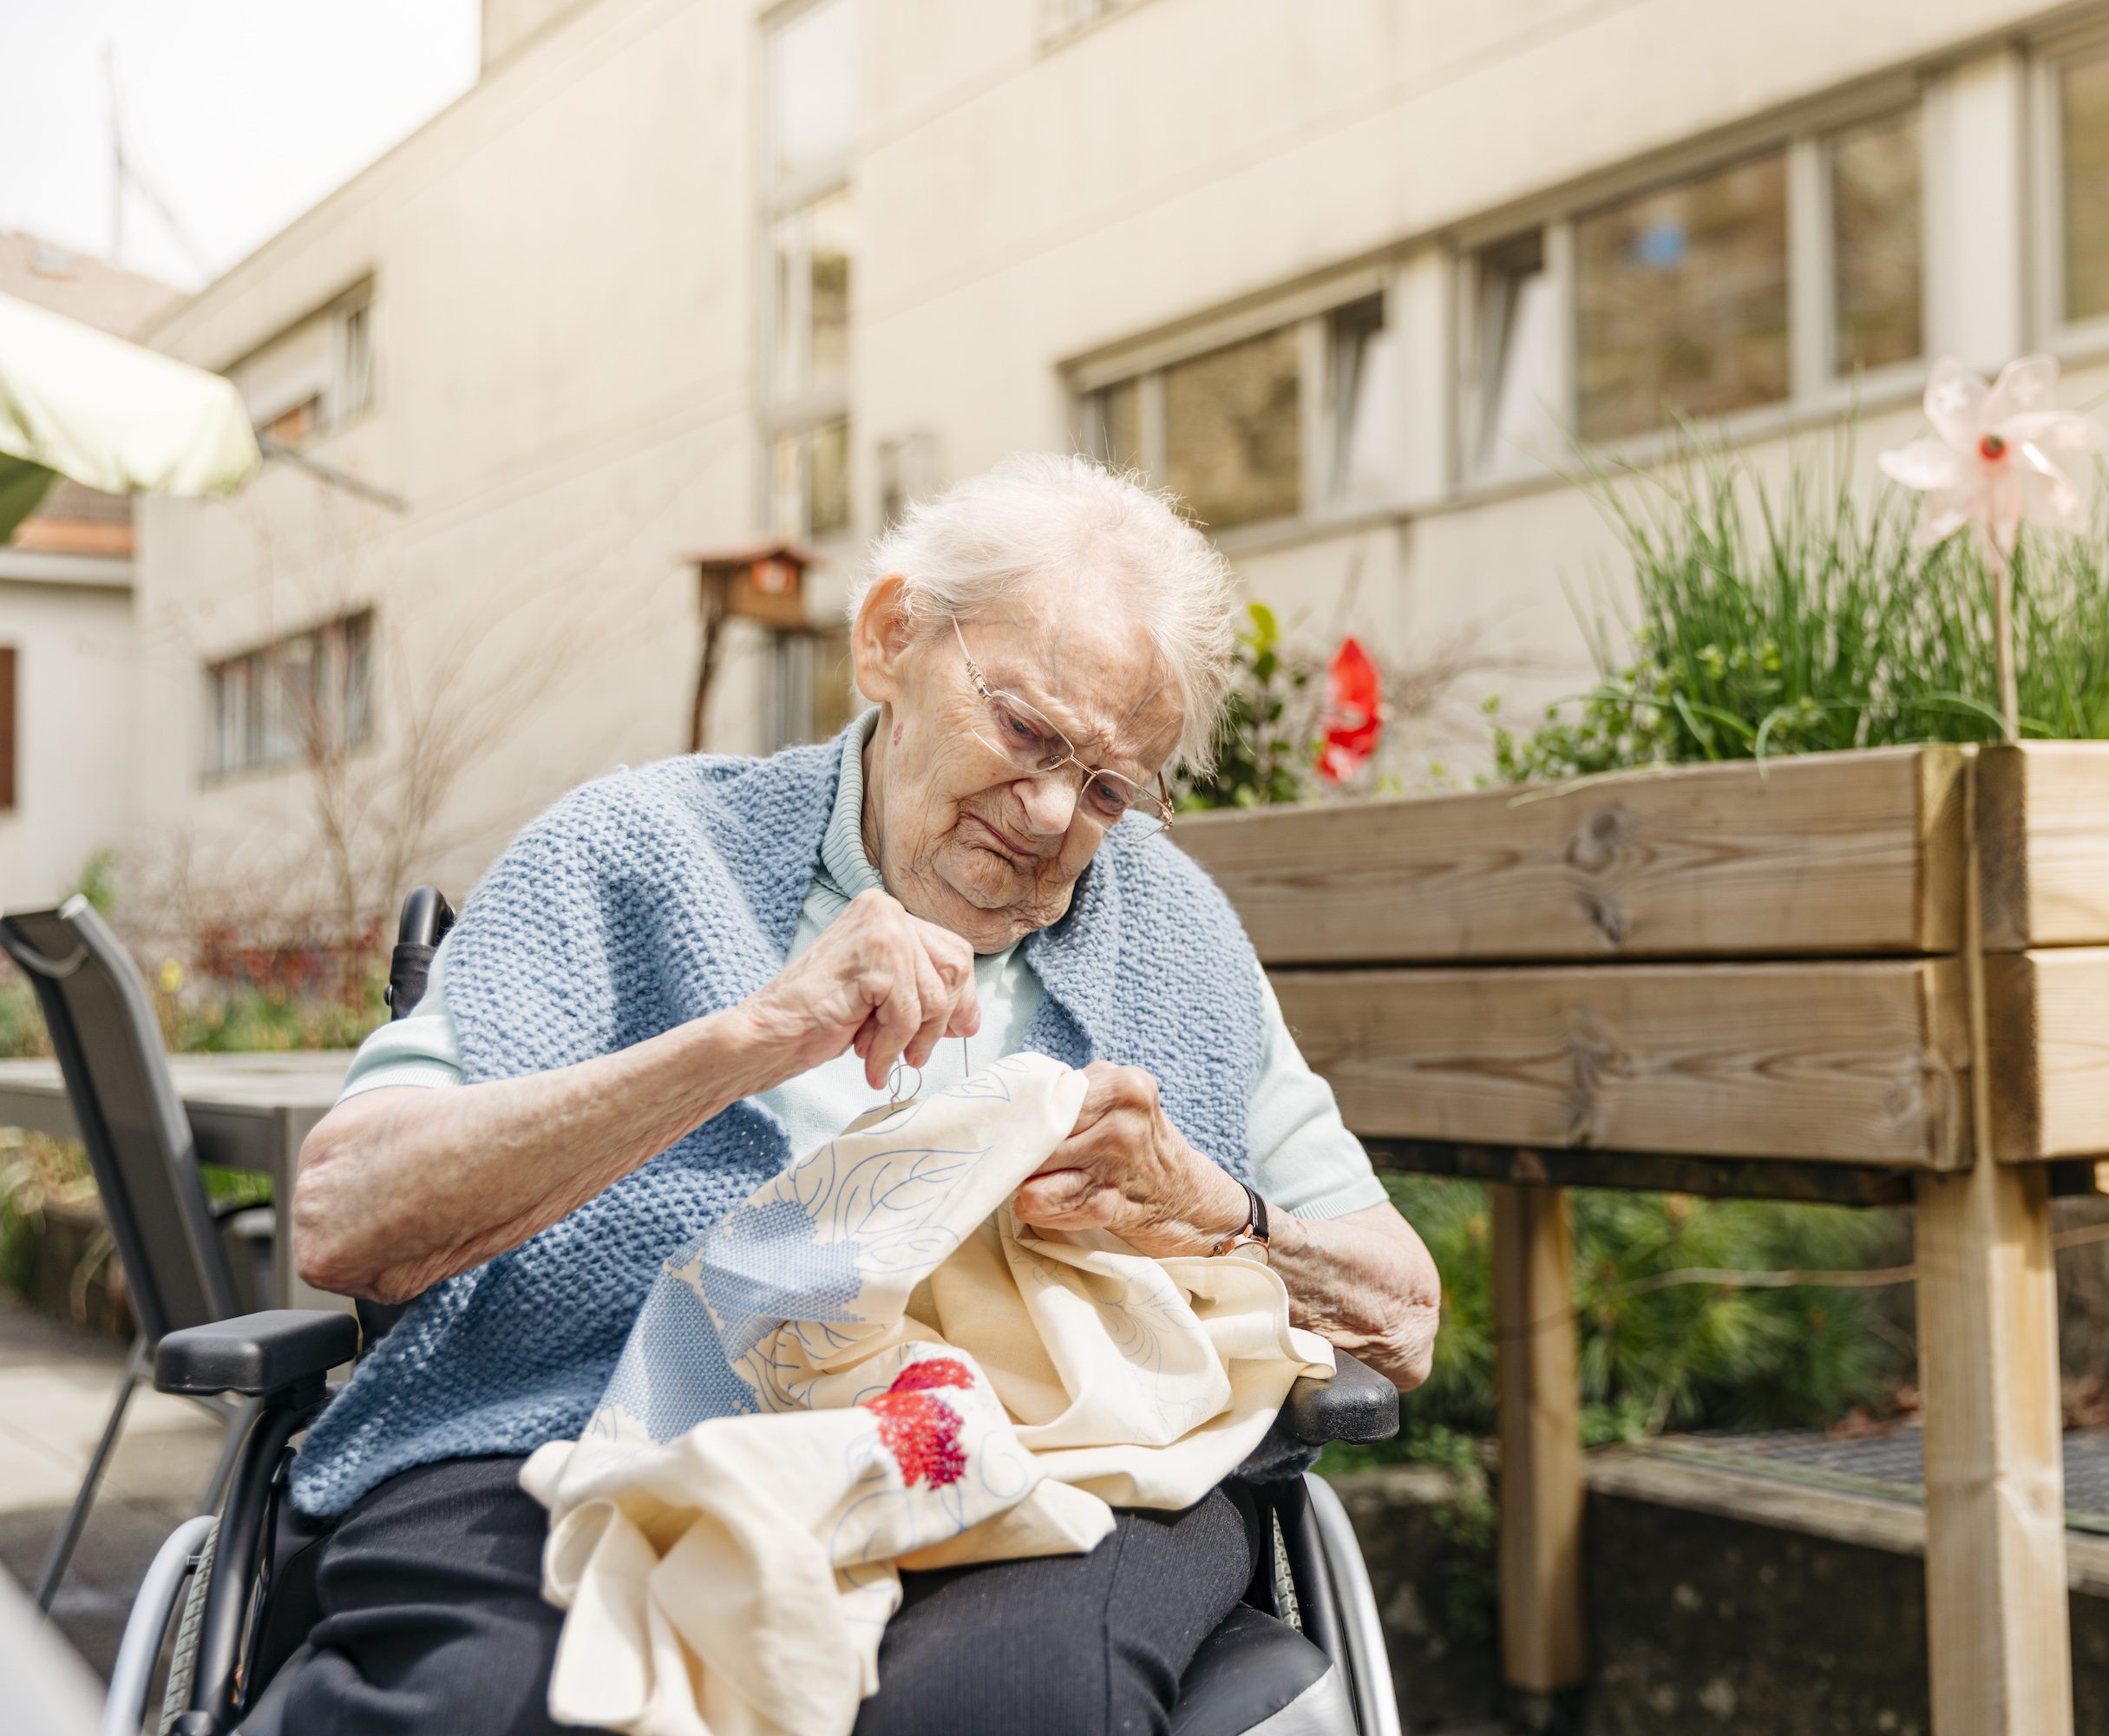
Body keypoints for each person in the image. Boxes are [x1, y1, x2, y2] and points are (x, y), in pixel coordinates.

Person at [256, 454, 1444, 1736]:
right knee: (509, 1703)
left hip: (1033, 1463)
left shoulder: (1175, 937)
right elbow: (348, 1214)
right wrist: (756, 1035)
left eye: (1108, 788)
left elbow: (1404, 1314)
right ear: (890, 641)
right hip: (579, 1433)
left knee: (1019, 1703)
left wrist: (1210, 1209)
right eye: (1027, 732)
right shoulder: (638, 853)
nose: (1054, 812)